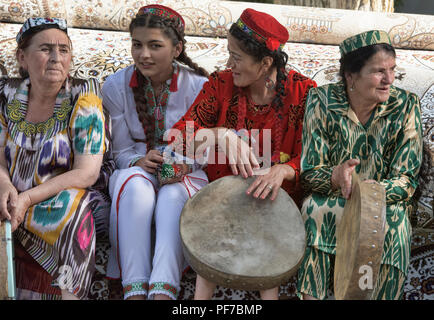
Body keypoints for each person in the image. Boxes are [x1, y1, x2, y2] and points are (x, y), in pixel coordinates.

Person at [169, 8, 317, 300]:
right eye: (229, 54)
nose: (229, 64)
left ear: (265, 63)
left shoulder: (304, 93)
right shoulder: (221, 85)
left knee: (268, 246)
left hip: (278, 206)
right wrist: (218, 135)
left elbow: (314, 155)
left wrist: (284, 170)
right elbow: (176, 140)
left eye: (236, 57)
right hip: (222, 201)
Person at [297, 30, 422, 300]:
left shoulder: (406, 106)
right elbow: (309, 172)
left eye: (392, 69)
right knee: (314, 209)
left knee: (395, 221)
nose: (389, 79)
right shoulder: (321, 101)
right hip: (335, 197)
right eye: (378, 71)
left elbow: (406, 179)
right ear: (350, 77)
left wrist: (371, 193)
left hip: (384, 201)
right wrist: (335, 175)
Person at [0, 17, 114, 300]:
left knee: (68, 210)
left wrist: (26, 199)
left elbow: (86, 173)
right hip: (11, 192)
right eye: (46, 49)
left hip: (66, 193)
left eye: (64, 50)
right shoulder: (5, 94)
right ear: (22, 58)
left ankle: (68, 295)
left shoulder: (84, 96)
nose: (55, 58)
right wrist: (4, 185)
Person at [102, 5, 209, 300]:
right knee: (135, 186)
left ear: (177, 49)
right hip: (138, 170)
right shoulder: (115, 86)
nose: (143, 55)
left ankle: (163, 291)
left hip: (188, 173)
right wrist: (139, 159)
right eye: (137, 45)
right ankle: (134, 289)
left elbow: (207, 149)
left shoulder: (200, 87)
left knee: (173, 195)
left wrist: (183, 165)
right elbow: (119, 150)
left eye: (155, 46)